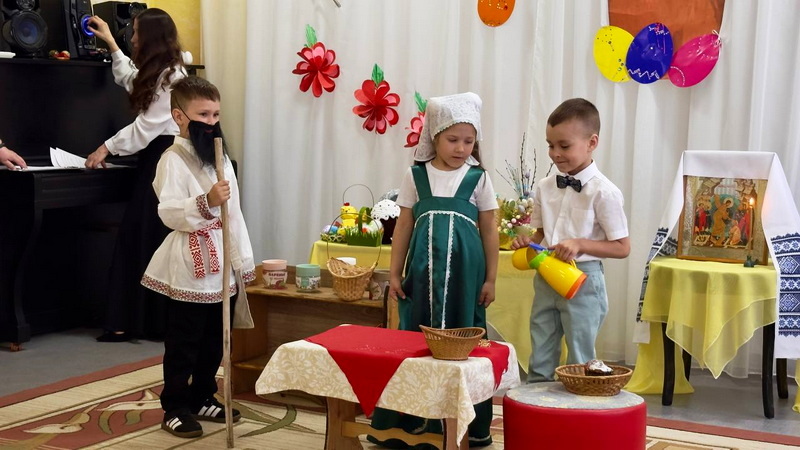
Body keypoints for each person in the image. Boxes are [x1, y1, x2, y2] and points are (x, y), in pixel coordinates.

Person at [369, 92, 499, 448]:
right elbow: (403, 227)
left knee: (465, 344)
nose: (461, 148)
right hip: (421, 274)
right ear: (434, 137)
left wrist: (490, 278)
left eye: (468, 141)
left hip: (465, 280)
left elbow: (489, 229)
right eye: (453, 139)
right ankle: (408, 422)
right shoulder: (416, 176)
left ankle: (467, 426)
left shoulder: (478, 178)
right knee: (414, 341)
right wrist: (394, 273)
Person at [140, 75, 256, 438]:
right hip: (191, 265)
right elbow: (169, 212)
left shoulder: (220, 159)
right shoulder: (171, 160)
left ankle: (203, 394)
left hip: (223, 262)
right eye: (202, 115)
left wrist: (243, 262)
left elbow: (235, 216)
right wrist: (207, 201)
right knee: (184, 341)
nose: (211, 122)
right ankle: (175, 405)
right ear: (179, 116)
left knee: (215, 339)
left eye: (215, 114)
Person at [85, 9, 189, 342]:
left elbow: (147, 126)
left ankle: (131, 322)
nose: (132, 39)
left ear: (151, 38)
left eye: (136, 33)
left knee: (139, 236)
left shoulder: (173, 75)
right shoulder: (161, 72)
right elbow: (132, 80)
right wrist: (112, 44)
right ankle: (138, 321)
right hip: (153, 159)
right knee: (142, 236)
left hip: (163, 160)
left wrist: (106, 147)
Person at [511, 98, 630, 383]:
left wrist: (580, 244)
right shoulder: (544, 187)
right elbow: (540, 234)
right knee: (541, 344)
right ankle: (538, 399)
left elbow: (622, 247)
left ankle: (580, 401)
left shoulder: (604, 192)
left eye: (564, 146)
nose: (555, 154)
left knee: (580, 354)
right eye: (550, 145)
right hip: (546, 274)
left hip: (583, 280)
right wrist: (528, 242)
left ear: (592, 143)